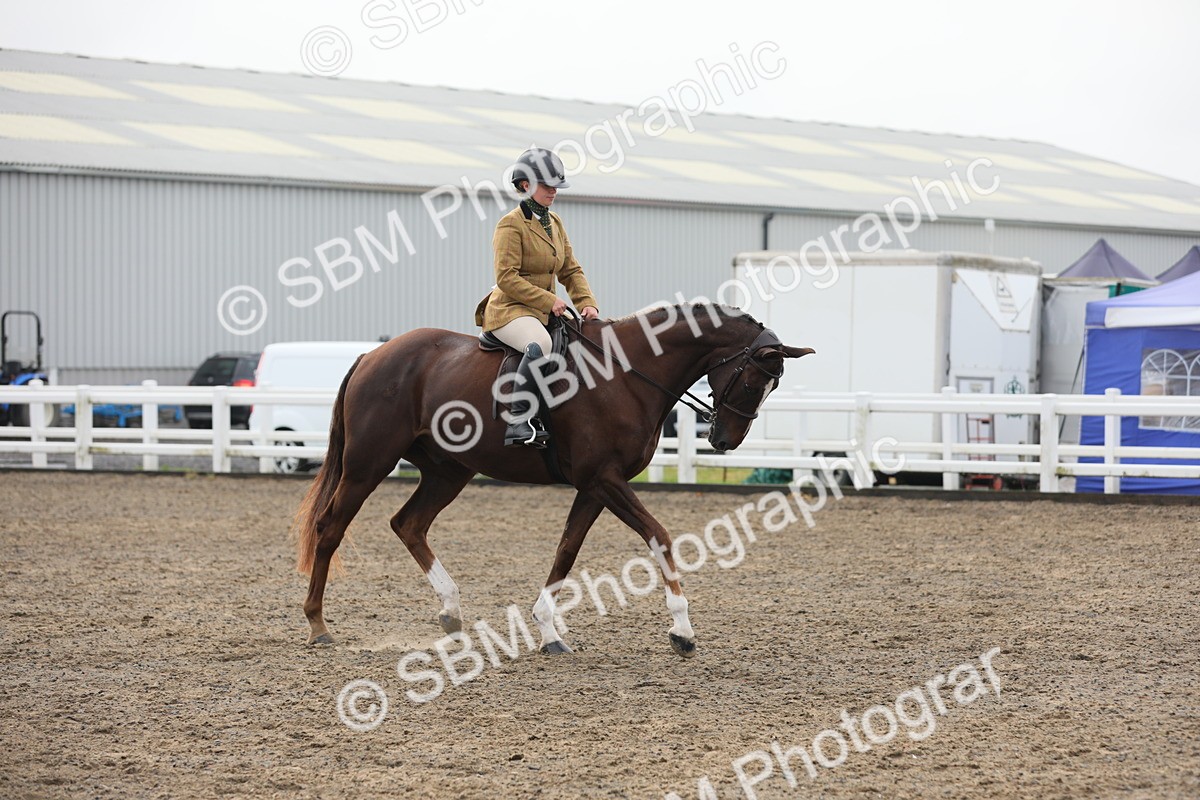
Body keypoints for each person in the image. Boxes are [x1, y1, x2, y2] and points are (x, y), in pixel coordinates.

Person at [474, 148, 600, 448]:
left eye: (556, 185)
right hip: (510, 310)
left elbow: (570, 269)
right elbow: (507, 277)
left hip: (542, 310)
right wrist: (548, 301)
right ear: (525, 185)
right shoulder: (510, 224)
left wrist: (586, 302)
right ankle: (519, 421)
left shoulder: (554, 222)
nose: (553, 190)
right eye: (546, 185)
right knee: (540, 344)